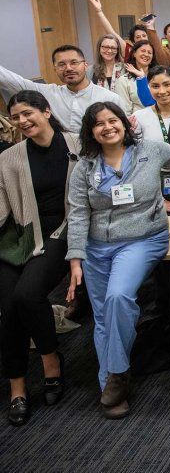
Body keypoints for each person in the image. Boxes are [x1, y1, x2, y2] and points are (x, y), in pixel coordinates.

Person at [66, 101, 170, 419]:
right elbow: (77, 214)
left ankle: (117, 372)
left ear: (124, 123)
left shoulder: (151, 150)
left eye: (112, 120)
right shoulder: (85, 167)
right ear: (91, 132)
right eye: (99, 123)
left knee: (118, 297)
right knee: (104, 316)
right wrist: (75, 258)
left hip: (142, 239)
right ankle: (109, 386)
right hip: (97, 247)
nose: (107, 127)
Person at [0, 91, 80, 426]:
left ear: (46, 111)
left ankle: (50, 359)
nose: (22, 121)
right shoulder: (10, 156)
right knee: (8, 307)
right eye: (16, 117)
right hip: (17, 237)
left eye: (28, 113)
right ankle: (16, 386)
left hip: (59, 233)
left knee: (26, 295)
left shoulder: (76, 144)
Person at [0, 45, 123, 131]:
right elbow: (9, 79)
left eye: (74, 62)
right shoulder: (48, 93)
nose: (68, 68)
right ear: (55, 69)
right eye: (61, 64)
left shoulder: (109, 98)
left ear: (85, 65)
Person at [114, 40, 157, 114]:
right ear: (134, 54)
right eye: (143, 51)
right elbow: (125, 110)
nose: (146, 54)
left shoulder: (158, 76)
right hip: (136, 122)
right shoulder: (123, 80)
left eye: (149, 53)